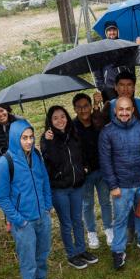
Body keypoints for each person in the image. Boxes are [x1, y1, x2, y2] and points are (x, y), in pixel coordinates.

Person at [0, 119, 63, 279]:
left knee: (43, 250)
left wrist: (47, 206)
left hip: (42, 214)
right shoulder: (4, 164)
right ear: (15, 138)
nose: (29, 141)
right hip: (23, 222)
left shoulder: (36, 155)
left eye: (31, 137)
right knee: (28, 259)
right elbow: (1, 197)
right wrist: (18, 219)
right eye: (24, 138)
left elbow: (44, 180)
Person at [99, 96, 140, 270]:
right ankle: (118, 250)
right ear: (115, 111)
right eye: (121, 109)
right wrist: (113, 185)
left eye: (128, 109)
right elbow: (105, 162)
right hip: (121, 186)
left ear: (133, 110)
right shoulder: (107, 132)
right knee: (120, 219)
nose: (125, 112)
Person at [41, 106, 97, 269]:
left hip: (77, 185)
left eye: (62, 116)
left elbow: (82, 154)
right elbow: (50, 162)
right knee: (66, 223)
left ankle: (81, 249)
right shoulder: (46, 139)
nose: (60, 120)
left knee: (78, 220)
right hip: (60, 188)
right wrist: (50, 142)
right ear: (50, 122)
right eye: (55, 118)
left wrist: (85, 168)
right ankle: (71, 254)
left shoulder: (74, 134)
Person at [73, 92, 112, 250]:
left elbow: (102, 122)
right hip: (85, 173)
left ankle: (109, 228)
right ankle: (91, 232)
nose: (83, 110)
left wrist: (97, 105)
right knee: (87, 203)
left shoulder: (98, 120)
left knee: (105, 201)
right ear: (75, 109)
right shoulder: (73, 126)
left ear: (90, 106)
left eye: (86, 106)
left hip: (102, 169)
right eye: (79, 107)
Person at [93, 21, 125, 101]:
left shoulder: (123, 45)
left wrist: (132, 81)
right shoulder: (101, 48)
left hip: (124, 85)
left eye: (114, 30)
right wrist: (102, 87)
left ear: (117, 31)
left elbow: (130, 66)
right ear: (106, 33)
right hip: (109, 87)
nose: (112, 32)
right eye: (109, 30)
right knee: (111, 109)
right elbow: (97, 70)